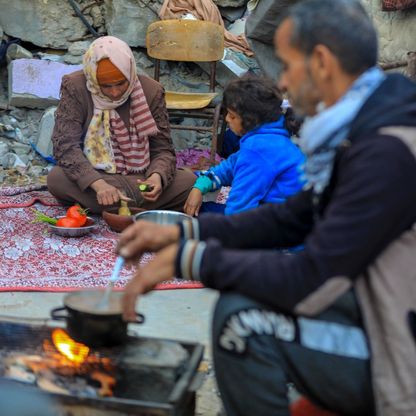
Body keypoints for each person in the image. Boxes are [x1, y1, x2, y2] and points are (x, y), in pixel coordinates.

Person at [116, 1, 416, 415]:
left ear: (323, 63)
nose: (285, 84)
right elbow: (295, 216)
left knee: (241, 319)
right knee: (247, 297)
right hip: (372, 304)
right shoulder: (365, 130)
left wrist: (189, 260)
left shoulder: (387, 152)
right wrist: (186, 232)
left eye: (288, 67)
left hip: (398, 349)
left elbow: (312, 277)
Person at [47, 36, 195, 214]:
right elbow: (66, 146)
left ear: (130, 72)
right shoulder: (76, 87)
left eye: (121, 83)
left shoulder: (151, 91)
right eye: (106, 86)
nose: (115, 92)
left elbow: (163, 150)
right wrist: (99, 185)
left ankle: (116, 204)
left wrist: (156, 178)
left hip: (140, 179)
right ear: (93, 79)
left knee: (189, 181)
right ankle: (133, 205)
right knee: (56, 178)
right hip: (96, 178)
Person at [184, 75, 305, 216]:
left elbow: (239, 210)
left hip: (277, 225)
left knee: (198, 215)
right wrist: (199, 186)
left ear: (250, 120)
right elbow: (227, 169)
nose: (227, 119)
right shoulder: (268, 138)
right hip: (273, 216)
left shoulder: (259, 150)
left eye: (232, 115)